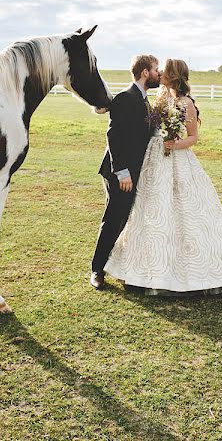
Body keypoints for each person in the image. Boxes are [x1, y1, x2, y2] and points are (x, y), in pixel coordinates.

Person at [104, 59, 222, 295]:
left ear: (174, 76)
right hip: (153, 161)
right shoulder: (160, 100)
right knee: (151, 211)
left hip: (177, 159)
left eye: (165, 70)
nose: (160, 72)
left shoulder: (187, 104)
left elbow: (193, 137)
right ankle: (146, 266)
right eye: (158, 69)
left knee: (185, 211)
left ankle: (188, 270)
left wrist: (175, 144)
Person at [90, 54, 161, 289]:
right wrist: (122, 172)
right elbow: (113, 137)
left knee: (125, 219)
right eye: (155, 69)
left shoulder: (144, 100)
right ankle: (97, 270)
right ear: (145, 73)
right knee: (114, 219)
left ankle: (119, 265)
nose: (159, 73)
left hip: (134, 171)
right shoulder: (125, 98)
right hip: (120, 173)